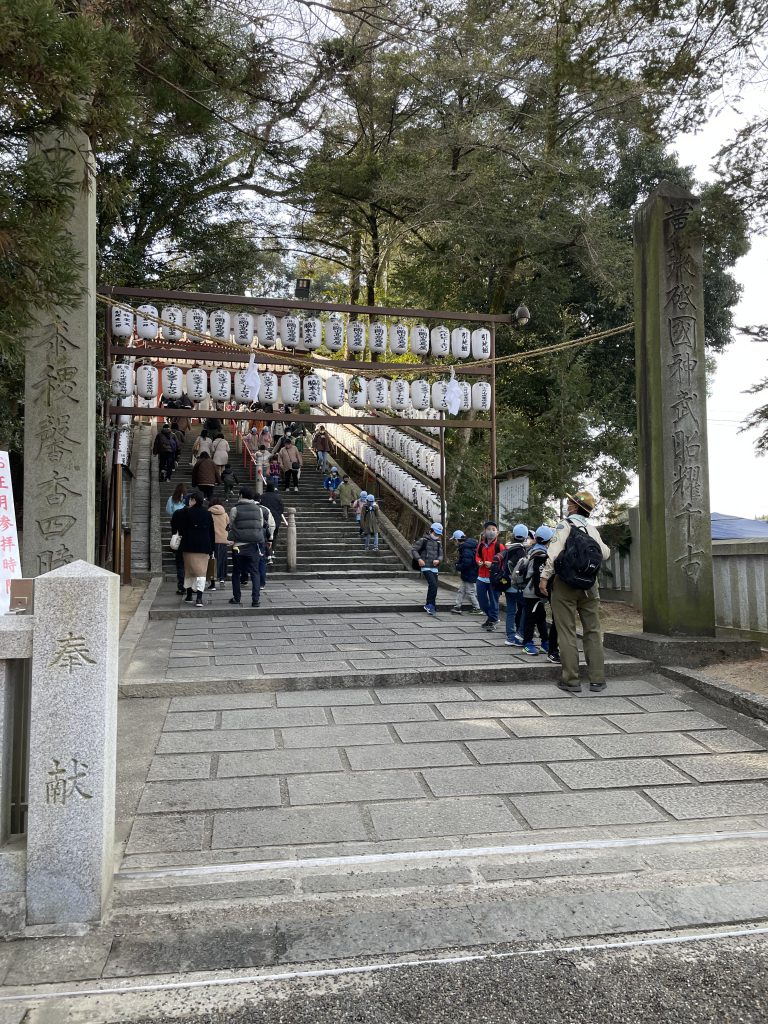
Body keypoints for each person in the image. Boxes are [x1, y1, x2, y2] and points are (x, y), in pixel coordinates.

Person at [539, 490, 611, 693]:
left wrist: (544, 577)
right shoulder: (591, 528)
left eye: (570, 502)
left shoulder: (565, 525)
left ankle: (571, 679)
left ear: (575, 506)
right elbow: (605, 553)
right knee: (593, 631)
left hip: (565, 584)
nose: (568, 504)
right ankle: (597, 679)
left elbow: (552, 554)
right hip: (589, 585)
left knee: (567, 630)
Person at [228, 486, 274, 607]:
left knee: (236, 572)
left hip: (238, 545)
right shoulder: (258, 509)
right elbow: (260, 524)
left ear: (241, 495)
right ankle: (255, 600)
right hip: (254, 545)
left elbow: (231, 525)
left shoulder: (235, 509)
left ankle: (237, 598)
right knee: (255, 572)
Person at [511, 525, 555, 654]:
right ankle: (528, 643)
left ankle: (544, 641)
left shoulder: (531, 550)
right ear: (549, 540)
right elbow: (537, 575)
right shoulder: (542, 554)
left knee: (540, 617)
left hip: (529, 590)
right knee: (532, 618)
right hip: (534, 591)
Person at [175, 490, 215, 608]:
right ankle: (199, 598)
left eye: (191, 499)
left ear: (194, 500)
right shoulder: (207, 513)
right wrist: (212, 547)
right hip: (204, 547)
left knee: (189, 571)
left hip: (188, 546)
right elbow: (211, 532)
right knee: (201, 573)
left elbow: (181, 529)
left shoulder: (186, 513)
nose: (189, 502)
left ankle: (189, 595)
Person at [503, 523, 531, 647]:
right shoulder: (521, 551)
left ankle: (510, 636)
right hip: (518, 587)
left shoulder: (508, 549)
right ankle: (520, 634)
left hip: (508, 585)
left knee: (510, 611)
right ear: (525, 537)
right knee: (525, 608)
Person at [475, 520, 505, 632]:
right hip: (481, 577)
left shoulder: (499, 546)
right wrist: (478, 561)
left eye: (493, 529)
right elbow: (477, 556)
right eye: (489, 529)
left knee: (494, 601)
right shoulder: (481, 544)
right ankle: (492, 617)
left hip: (494, 578)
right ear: (484, 531)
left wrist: (492, 564)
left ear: (497, 532)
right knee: (482, 602)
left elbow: (503, 561)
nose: (491, 532)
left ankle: (492, 621)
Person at [412, 523, 444, 615]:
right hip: (425, 566)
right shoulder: (423, 540)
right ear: (430, 531)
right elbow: (414, 550)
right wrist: (419, 559)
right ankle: (430, 605)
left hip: (434, 567)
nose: (437, 535)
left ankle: (431, 604)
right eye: (435, 533)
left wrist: (438, 560)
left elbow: (441, 555)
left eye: (438, 534)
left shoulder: (439, 542)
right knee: (433, 585)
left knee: (434, 586)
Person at [450, 530, 482, 614]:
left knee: (470, 592)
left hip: (470, 574)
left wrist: (458, 566)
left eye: (454, 540)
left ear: (457, 540)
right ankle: (457, 606)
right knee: (461, 590)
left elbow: (467, 563)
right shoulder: (467, 547)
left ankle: (477, 608)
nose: (454, 542)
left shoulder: (465, 548)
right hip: (468, 573)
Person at [166, 483, 187, 595]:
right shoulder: (186, 500)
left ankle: (181, 586)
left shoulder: (171, 499)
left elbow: (168, 511)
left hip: (175, 522)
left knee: (176, 537)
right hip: (187, 528)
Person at [208, 499, 230, 589]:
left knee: (212, 560)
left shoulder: (209, 513)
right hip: (223, 540)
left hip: (212, 540)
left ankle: (212, 583)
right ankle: (222, 578)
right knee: (222, 560)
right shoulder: (225, 514)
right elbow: (228, 525)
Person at [260, 484, 284, 562]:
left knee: (266, 537)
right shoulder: (278, 497)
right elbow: (282, 509)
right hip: (276, 519)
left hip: (265, 519)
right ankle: (272, 551)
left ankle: (268, 553)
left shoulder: (262, 496)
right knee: (274, 535)